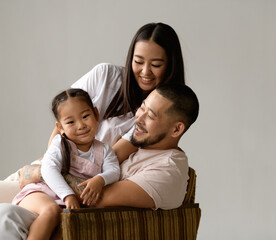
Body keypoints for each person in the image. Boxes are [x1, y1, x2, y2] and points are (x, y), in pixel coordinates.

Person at [0, 22, 186, 239]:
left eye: (156, 64)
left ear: (170, 65)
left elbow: (111, 159)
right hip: (50, 170)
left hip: (76, 184)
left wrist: (49, 176)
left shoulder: (153, 117)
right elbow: (63, 119)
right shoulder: (106, 75)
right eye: (138, 61)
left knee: (9, 217)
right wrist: (45, 167)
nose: (145, 72)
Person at [0, 84, 199, 239]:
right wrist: (37, 171)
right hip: (44, 190)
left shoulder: (168, 169)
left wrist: (41, 173)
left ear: (176, 130)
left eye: (151, 115)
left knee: (5, 216)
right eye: (143, 107)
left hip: (59, 206)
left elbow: (95, 196)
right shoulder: (139, 142)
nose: (139, 118)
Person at [12, 89, 120, 240]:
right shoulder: (61, 144)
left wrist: (100, 179)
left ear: (96, 114)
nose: (81, 125)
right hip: (41, 193)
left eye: (85, 116)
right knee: (51, 211)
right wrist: (68, 195)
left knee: (69, 225)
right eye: (71, 122)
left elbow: (114, 170)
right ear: (60, 127)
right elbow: (48, 169)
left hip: (68, 204)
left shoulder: (104, 149)